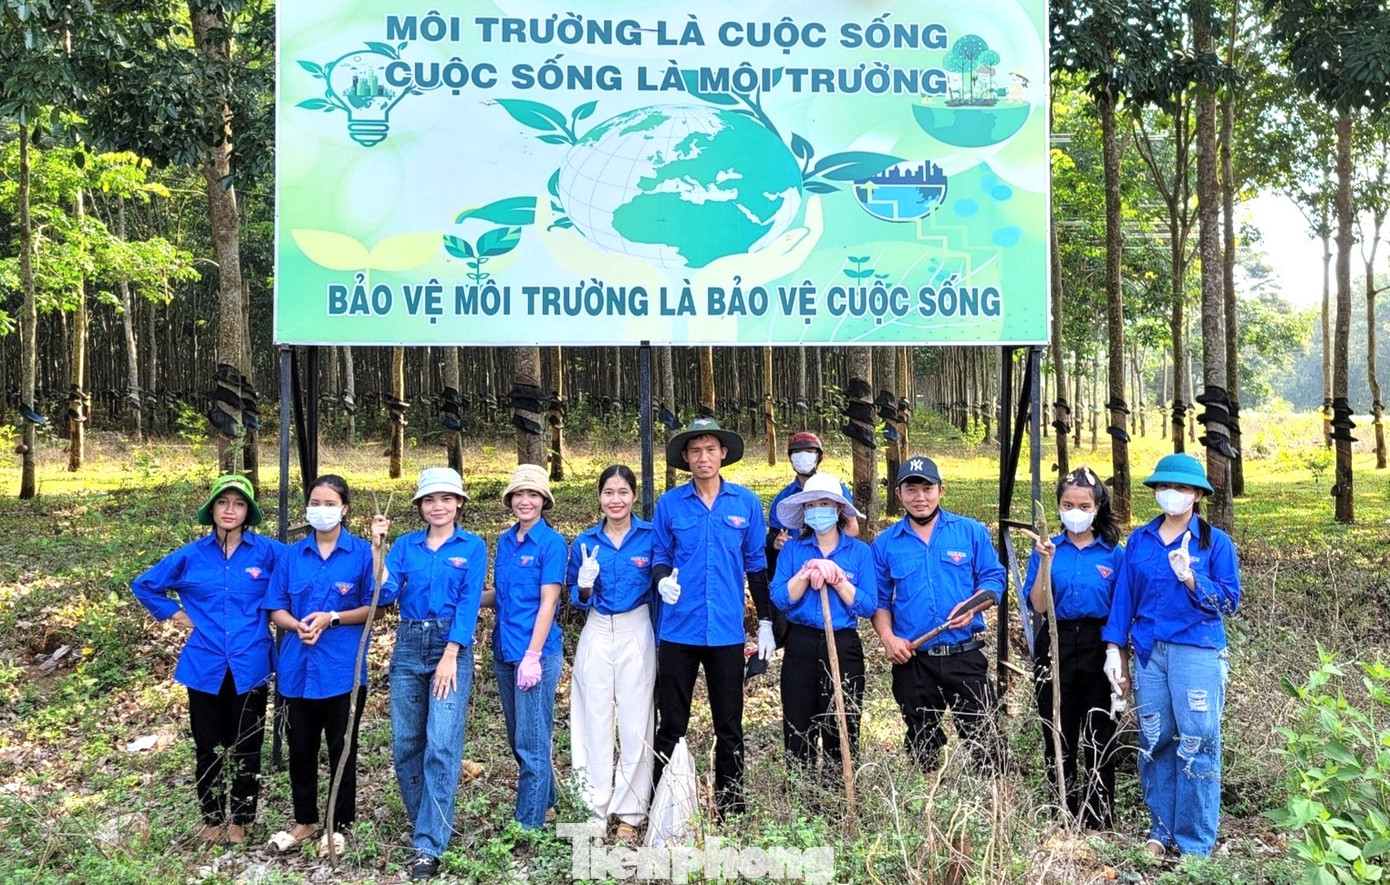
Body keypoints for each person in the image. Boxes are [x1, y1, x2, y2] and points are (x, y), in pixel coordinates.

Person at [131, 474, 285, 846]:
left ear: (249, 511)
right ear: (212, 509)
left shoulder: (268, 552)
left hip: (251, 663)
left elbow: (302, 573)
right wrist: (177, 615)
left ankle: (241, 820)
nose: (229, 510)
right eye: (222, 503)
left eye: (238, 504)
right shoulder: (191, 555)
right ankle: (212, 818)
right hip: (205, 665)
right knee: (208, 744)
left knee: (248, 745)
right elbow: (144, 584)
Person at [1102, 453, 1240, 858]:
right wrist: (1114, 648)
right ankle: (1160, 831)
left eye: (1180, 488)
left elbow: (1230, 601)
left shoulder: (1215, 543)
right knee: (1155, 739)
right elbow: (1124, 597)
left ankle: (1194, 841)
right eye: (1164, 486)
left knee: (1198, 740)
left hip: (1197, 649)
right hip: (1149, 652)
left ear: (1197, 495)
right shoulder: (1140, 541)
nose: (1171, 494)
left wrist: (1193, 577)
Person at [651, 416, 773, 818]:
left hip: (725, 631)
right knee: (671, 723)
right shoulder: (670, 504)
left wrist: (767, 622)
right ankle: (663, 807)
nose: (703, 457)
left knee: (729, 725)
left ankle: (732, 807)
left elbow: (756, 564)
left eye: (710, 449)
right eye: (695, 450)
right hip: (678, 629)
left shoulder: (746, 503)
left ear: (723, 453)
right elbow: (660, 556)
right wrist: (661, 580)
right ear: (685, 457)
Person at [262, 475, 387, 855]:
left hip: (342, 670)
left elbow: (379, 604)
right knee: (300, 747)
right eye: (315, 502)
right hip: (297, 669)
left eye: (330, 503)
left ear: (344, 508)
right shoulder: (291, 555)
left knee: (341, 748)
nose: (321, 509)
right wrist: (295, 624)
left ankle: (339, 824)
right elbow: (275, 606)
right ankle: (304, 821)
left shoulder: (364, 553)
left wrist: (332, 617)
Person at [377, 467, 486, 879]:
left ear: (459, 503)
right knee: (407, 741)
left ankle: (428, 842)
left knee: (441, 742)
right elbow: (385, 593)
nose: (437, 507)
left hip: (450, 645)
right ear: (420, 506)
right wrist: (377, 550)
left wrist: (451, 653)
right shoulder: (405, 547)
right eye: (429, 500)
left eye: (446, 499)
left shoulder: (472, 547)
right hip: (408, 643)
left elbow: (469, 602)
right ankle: (427, 817)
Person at [871, 455, 1007, 773]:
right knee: (922, 743)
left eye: (927, 488)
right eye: (911, 489)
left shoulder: (970, 532)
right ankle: (930, 806)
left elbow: (994, 579)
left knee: (985, 739)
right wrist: (888, 638)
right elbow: (878, 600)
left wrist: (974, 604)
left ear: (941, 491)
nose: (920, 497)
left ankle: (997, 809)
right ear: (899, 494)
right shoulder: (885, 544)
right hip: (915, 659)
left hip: (964, 655)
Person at [1022, 466, 1124, 830]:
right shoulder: (1048, 548)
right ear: (1058, 507)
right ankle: (1062, 808)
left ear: (1097, 507)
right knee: (1058, 727)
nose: (1075, 512)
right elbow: (1037, 604)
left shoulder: (1113, 553)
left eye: (1083, 505)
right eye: (1068, 504)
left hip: (1100, 641)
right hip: (1057, 639)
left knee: (1100, 730)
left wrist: (1119, 657)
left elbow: (1122, 606)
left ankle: (1099, 815)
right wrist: (1044, 563)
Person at [769, 471, 877, 790]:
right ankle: (803, 801)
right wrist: (807, 573)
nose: (820, 510)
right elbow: (780, 598)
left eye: (826, 504)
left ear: (839, 510)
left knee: (841, 724)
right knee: (798, 725)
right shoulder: (793, 550)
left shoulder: (860, 552)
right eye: (813, 504)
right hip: (801, 643)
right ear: (804, 511)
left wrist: (839, 579)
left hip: (843, 645)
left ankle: (836, 801)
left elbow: (869, 606)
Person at [565, 464, 656, 841]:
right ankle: (591, 808)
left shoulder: (651, 537)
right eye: (608, 492)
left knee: (637, 720)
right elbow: (576, 597)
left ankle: (630, 815)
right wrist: (585, 586)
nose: (615, 500)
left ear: (633, 496)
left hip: (637, 627)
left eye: (622, 492)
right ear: (599, 497)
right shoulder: (585, 542)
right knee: (592, 718)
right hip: (598, 629)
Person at [485, 463, 567, 829]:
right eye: (519, 494)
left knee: (532, 742)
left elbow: (548, 601)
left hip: (535, 654)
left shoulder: (551, 544)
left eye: (532, 494)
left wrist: (532, 656)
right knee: (518, 736)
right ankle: (546, 800)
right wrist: (467, 599)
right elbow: (501, 595)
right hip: (505, 650)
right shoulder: (505, 541)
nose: (525, 501)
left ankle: (529, 824)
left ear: (543, 500)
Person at [766, 432, 859, 574]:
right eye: (797, 452)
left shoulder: (836, 489)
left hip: (836, 562)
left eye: (809, 451)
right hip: (798, 567)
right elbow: (774, 534)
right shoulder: (783, 498)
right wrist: (775, 541)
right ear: (790, 458)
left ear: (818, 456)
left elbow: (852, 528)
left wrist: (825, 542)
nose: (803, 456)